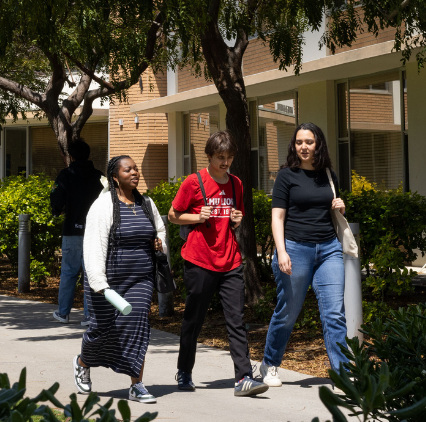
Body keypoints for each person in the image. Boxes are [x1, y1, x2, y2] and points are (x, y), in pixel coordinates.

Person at [167, 130, 269, 397]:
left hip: (230, 260)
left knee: (236, 319)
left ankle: (243, 377)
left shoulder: (236, 183)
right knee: (194, 319)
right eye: (220, 157)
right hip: (200, 260)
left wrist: (236, 219)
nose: (226, 162)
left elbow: (236, 216)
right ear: (209, 156)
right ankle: (185, 370)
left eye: (230, 157)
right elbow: (173, 215)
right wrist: (197, 216)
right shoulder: (194, 182)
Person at [253, 123, 350, 387]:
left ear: (318, 144)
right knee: (288, 312)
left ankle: (342, 373)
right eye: (299, 142)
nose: (304, 147)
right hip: (295, 249)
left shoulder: (329, 175)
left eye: (309, 142)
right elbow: (277, 217)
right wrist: (281, 251)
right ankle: (269, 364)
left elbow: (331, 212)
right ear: (293, 146)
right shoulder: (286, 176)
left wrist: (340, 207)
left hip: (329, 249)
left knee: (334, 314)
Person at [71, 155, 167, 404]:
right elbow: (93, 246)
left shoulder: (146, 202)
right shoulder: (103, 206)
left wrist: (160, 243)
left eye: (136, 169)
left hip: (141, 278)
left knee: (137, 324)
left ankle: (137, 384)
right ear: (115, 177)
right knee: (102, 330)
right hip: (108, 282)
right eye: (128, 170)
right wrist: (98, 282)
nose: (135, 173)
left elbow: (160, 231)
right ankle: (83, 361)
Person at [50, 138, 104, 325]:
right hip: (95, 232)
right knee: (92, 273)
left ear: (70, 156)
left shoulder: (66, 175)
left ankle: (63, 313)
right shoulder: (99, 176)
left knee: (69, 272)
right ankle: (90, 315)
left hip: (72, 229)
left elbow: (56, 200)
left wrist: (57, 211)